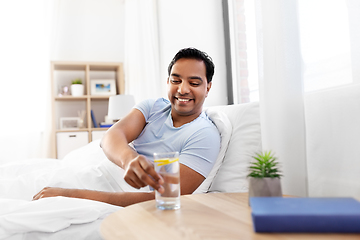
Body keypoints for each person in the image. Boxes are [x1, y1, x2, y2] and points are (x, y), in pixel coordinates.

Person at [33, 48, 221, 207]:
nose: (182, 90)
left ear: (208, 87)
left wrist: (72, 195)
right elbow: (111, 136)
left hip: (116, 194)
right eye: (176, 80)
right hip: (99, 171)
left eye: (194, 83)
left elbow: (165, 197)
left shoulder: (204, 135)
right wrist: (129, 159)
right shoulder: (153, 107)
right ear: (168, 81)